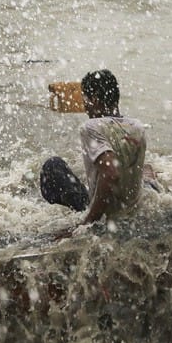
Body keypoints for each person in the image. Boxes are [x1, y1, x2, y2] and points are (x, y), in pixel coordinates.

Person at [39, 69, 148, 227]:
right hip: (134, 211)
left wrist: (87, 223)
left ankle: (81, 212)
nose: (85, 107)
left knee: (52, 166)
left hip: (106, 217)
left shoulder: (91, 127)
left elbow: (110, 174)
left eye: (85, 100)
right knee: (147, 170)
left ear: (95, 100)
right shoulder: (137, 126)